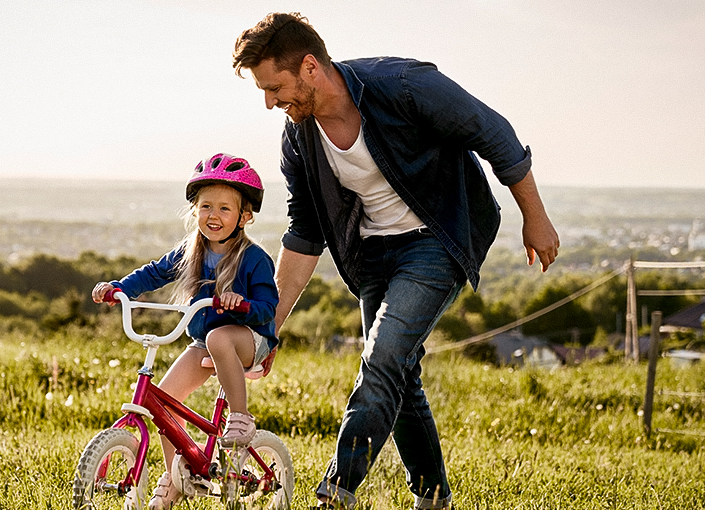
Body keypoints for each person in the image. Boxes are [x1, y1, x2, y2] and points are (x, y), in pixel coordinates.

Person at [232, 12, 560, 510]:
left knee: (383, 358)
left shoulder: (403, 86)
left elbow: (495, 133)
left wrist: (534, 217)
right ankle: (434, 498)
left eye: (275, 86)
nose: (270, 101)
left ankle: (336, 492)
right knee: (400, 376)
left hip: (438, 236)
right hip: (372, 255)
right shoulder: (298, 136)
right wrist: (266, 328)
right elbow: (305, 233)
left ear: (310, 67)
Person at [91, 153, 279, 510]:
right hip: (203, 342)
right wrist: (120, 289)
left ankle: (240, 418)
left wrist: (241, 305)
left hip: (248, 338)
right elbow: (153, 273)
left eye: (225, 208)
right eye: (206, 206)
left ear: (245, 216)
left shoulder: (254, 258)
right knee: (164, 404)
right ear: (195, 210)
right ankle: (179, 475)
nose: (213, 215)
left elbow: (268, 308)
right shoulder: (191, 250)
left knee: (219, 337)